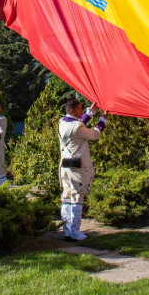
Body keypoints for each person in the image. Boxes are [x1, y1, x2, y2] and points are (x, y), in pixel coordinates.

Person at [58, 99, 108, 242]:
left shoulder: (62, 121)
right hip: (77, 167)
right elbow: (94, 134)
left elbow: (78, 125)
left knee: (67, 197)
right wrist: (102, 121)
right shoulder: (77, 126)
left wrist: (89, 113)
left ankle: (67, 231)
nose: (82, 111)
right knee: (77, 198)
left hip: (65, 165)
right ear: (73, 111)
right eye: (80, 109)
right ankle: (76, 232)